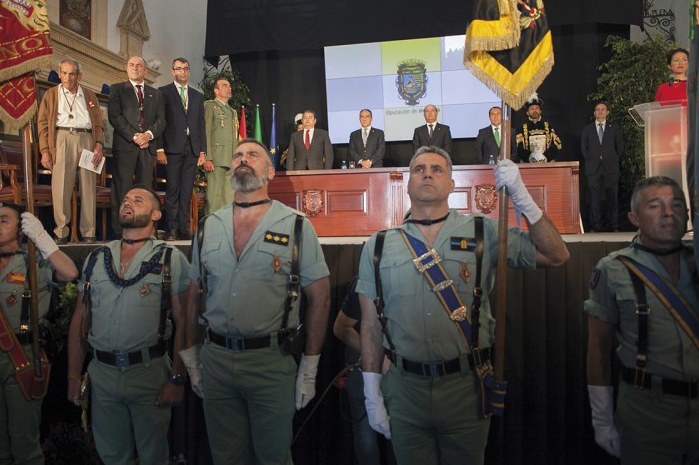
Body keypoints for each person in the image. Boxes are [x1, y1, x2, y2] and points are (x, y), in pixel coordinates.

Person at [357, 146, 569, 464]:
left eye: (437, 169)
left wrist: (522, 195)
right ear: (406, 183)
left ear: (453, 184)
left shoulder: (483, 231)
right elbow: (371, 325)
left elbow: (556, 254)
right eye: (419, 169)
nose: (427, 173)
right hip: (404, 390)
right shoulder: (379, 245)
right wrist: (371, 390)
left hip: (466, 390)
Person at [181, 138, 331, 464]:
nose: (242, 159)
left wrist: (310, 365)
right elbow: (194, 296)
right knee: (226, 458)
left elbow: (319, 298)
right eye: (237, 155)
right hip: (216, 361)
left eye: (252, 154)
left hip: (271, 362)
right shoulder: (208, 227)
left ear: (271, 172)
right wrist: (191, 356)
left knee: (273, 457)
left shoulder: (296, 225)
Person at [66, 186, 191, 465]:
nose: (127, 203)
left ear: (156, 214)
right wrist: (74, 374)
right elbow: (80, 317)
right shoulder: (98, 258)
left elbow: (185, 323)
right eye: (125, 200)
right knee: (111, 456)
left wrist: (177, 379)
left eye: (137, 200)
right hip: (103, 374)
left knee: (153, 456)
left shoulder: (171, 259)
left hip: (148, 374)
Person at [585, 176, 699, 464]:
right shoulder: (614, 270)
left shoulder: (694, 263)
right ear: (634, 217)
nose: (668, 213)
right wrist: (601, 418)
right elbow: (598, 350)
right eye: (655, 206)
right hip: (647, 413)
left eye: (676, 205)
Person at [0, 206, 77, 464]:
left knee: (24, 446)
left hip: (22, 358)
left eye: (4, 220)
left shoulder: (34, 263)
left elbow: (70, 273)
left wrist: (42, 239)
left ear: (21, 228)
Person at [37, 58, 105, 244]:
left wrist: (98, 144)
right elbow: (42, 124)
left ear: (79, 76)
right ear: (59, 74)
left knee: (88, 187)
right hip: (61, 139)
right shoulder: (51, 94)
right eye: (64, 73)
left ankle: (89, 232)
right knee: (61, 188)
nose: (67, 78)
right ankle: (61, 232)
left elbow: (99, 123)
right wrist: (44, 151)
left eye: (72, 73)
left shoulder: (89, 95)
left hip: (86, 139)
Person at [334, 279, 396, 465]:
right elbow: (341, 328)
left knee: (403, 440)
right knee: (366, 438)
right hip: (365, 372)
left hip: (403, 375)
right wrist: (379, 358)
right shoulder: (364, 280)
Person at [108, 55, 166, 235]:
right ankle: (120, 232)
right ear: (126, 69)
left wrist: (147, 135)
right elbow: (115, 117)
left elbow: (161, 120)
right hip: (126, 145)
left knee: (144, 190)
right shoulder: (117, 89)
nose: (135, 68)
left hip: (147, 148)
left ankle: (142, 229)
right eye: (131, 65)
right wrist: (135, 136)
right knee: (122, 189)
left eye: (139, 65)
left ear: (145, 70)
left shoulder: (155, 94)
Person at [157, 57, 206, 241]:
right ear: (173, 71)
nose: (182, 72)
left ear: (189, 71)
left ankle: (184, 229)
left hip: (192, 148)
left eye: (185, 68)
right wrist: (160, 148)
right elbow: (160, 122)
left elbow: (200, 125)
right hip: (172, 147)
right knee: (173, 191)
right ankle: (171, 229)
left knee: (186, 191)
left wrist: (202, 151)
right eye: (178, 69)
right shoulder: (163, 92)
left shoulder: (197, 95)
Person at [581, 102, 623, 232]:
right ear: (594, 113)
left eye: (602, 109)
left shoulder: (614, 128)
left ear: (607, 112)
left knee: (612, 198)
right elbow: (584, 148)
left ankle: (613, 225)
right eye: (597, 110)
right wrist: (593, 159)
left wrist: (611, 159)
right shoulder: (587, 129)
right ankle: (596, 226)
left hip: (610, 168)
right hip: (593, 169)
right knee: (594, 199)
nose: (600, 112)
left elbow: (619, 148)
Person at [203, 77, 238, 214]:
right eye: (224, 86)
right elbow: (206, 132)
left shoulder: (232, 111)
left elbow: (234, 137)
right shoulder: (211, 106)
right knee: (214, 198)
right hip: (216, 158)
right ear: (216, 90)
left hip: (230, 158)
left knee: (228, 199)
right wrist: (207, 157)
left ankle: (225, 228)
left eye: (229, 86)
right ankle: (210, 228)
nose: (229, 88)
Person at [515, 94, 562, 163]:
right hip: (528, 164)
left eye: (537, 108)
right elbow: (518, 148)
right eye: (532, 108)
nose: (534, 110)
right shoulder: (522, 129)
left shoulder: (548, 127)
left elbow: (557, 144)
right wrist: (530, 156)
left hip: (547, 163)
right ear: (527, 113)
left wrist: (546, 156)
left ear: (540, 111)